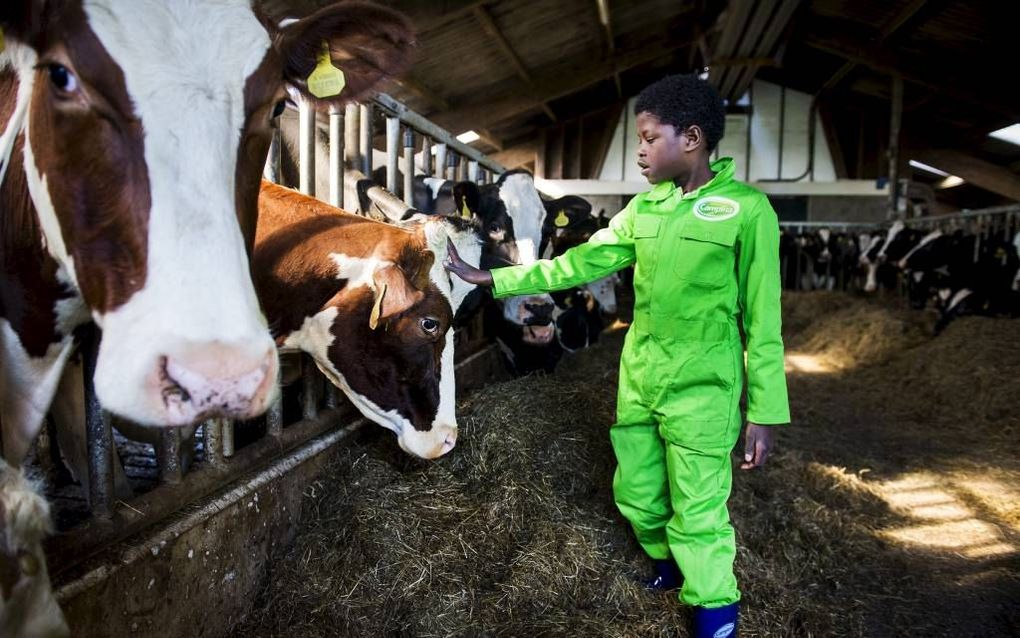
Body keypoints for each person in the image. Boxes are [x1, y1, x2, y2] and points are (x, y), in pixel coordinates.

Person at [444, 73, 789, 638]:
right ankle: (668, 569)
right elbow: (576, 265)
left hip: (705, 388)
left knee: (699, 511)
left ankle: (715, 614)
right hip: (640, 380)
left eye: (651, 138)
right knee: (635, 492)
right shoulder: (642, 210)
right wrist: (494, 278)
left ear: (693, 138)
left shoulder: (747, 211)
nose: (641, 150)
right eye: (641, 138)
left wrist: (765, 411)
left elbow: (764, 319)